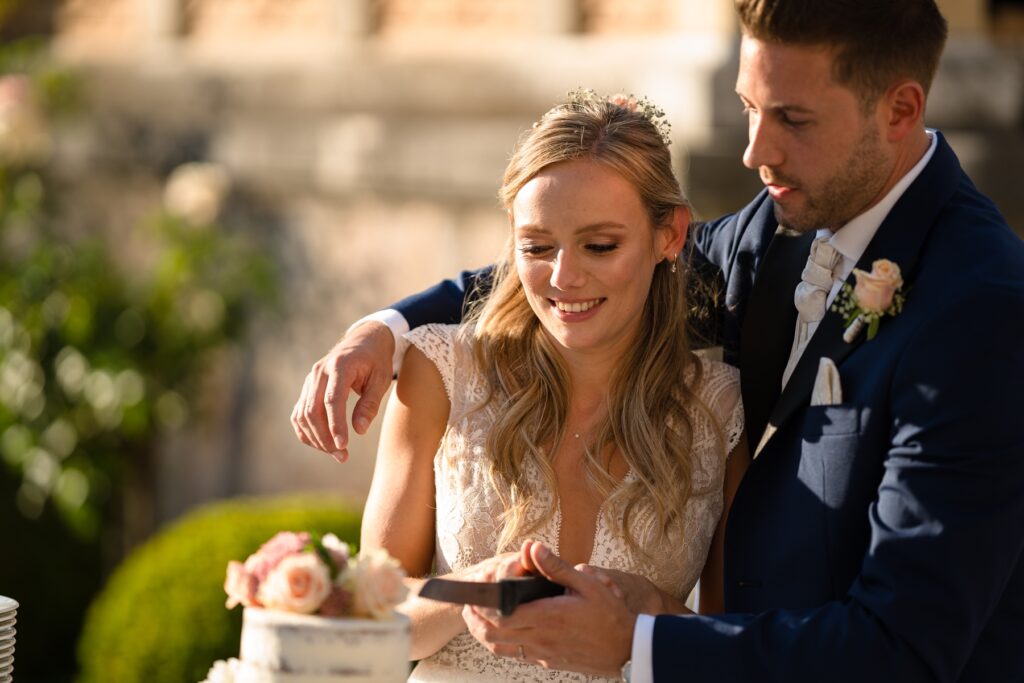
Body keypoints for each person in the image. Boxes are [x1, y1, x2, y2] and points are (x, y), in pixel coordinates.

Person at [292, 0, 1024, 679]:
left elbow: (904, 648)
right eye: (748, 108)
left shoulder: (983, 310)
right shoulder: (780, 222)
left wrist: (640, 638)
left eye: (792, 118)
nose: (753, 151)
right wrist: (384, 329)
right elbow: (568, 272)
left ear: (900, 109)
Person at [353, 91, 748, 682]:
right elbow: (367, 619)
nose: (564, 277)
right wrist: (473, 590)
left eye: (600, 245)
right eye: (537, 246)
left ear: (670, 235)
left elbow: (732, 649)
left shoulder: (719, 409)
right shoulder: (439, 371)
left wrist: (644, 616)